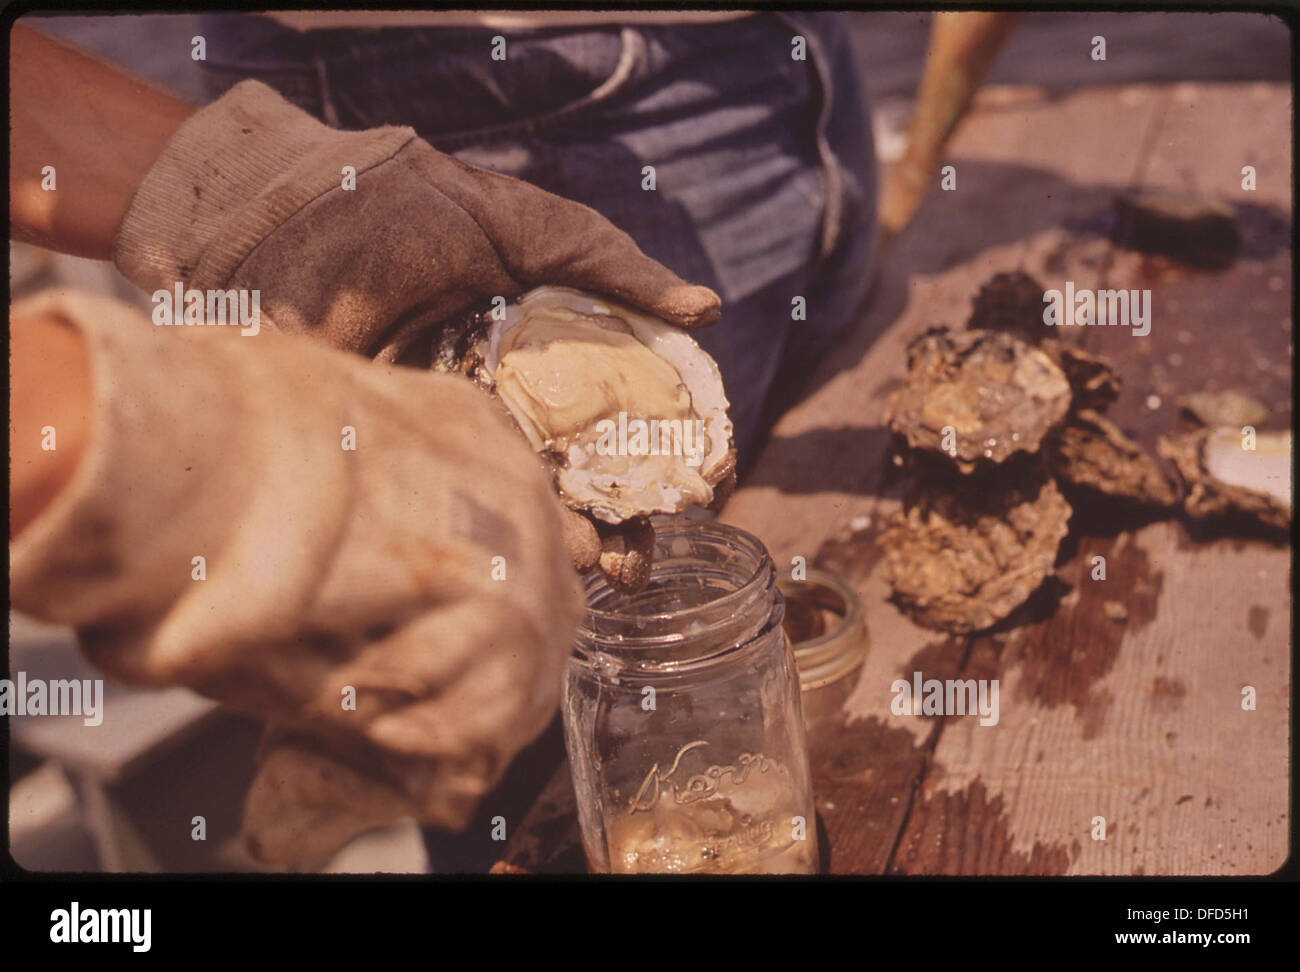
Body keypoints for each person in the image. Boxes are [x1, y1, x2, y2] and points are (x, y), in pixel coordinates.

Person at [10, 12, 1015, 870]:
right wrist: (111, 441)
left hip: (793, 81)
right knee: (544, 715)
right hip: (490, 78)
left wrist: (238, 183)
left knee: (741, 573)